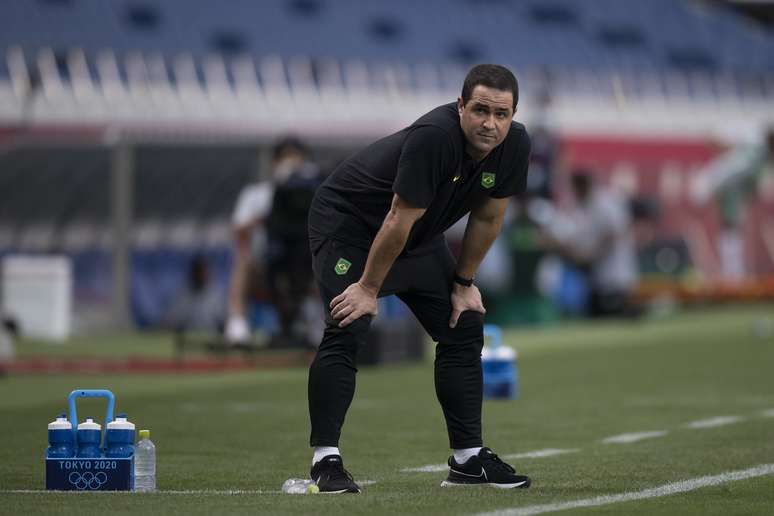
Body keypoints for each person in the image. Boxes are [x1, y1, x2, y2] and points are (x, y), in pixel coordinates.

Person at [305, 64, 532, 493]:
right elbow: (395, 217)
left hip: (417, 235)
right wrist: (369, 289)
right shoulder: (434, 137)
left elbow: (488, 216)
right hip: (351, 228)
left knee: (463, 324)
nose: (490, 123)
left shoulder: (515, 143)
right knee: (348, 324)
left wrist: (463, 284)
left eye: (501, 114)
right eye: (480, 110)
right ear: (461, 106)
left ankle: (467, 462)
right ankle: (325, 461)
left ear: (514, 114)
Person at [225, 137, 323, 347]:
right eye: (285, 159)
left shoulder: (312, 194)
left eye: (297, 160)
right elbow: (239, 231)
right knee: (242, 264)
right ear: (274, 163)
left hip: (303, 267)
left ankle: (320, 327)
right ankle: (237, 327)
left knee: (330, 267)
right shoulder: (256, 194)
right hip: (265, 267)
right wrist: (267, 216)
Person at [540, 171, 639, 317]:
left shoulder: (605, 202)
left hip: (614, 273)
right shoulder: (583, 206)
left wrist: (590, 256)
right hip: (597, 276)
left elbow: (613, 234)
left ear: (583, 186)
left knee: (616, 314)